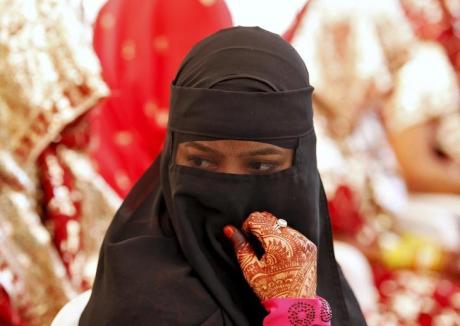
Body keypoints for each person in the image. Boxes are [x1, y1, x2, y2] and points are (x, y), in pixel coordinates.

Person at [54, 26, 366, 325]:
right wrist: (297, 313)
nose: (228, 192)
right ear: (172, 158)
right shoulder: (145, 305)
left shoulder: (317, 276)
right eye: (202, 163)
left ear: (302, 168)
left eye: (260, 167)